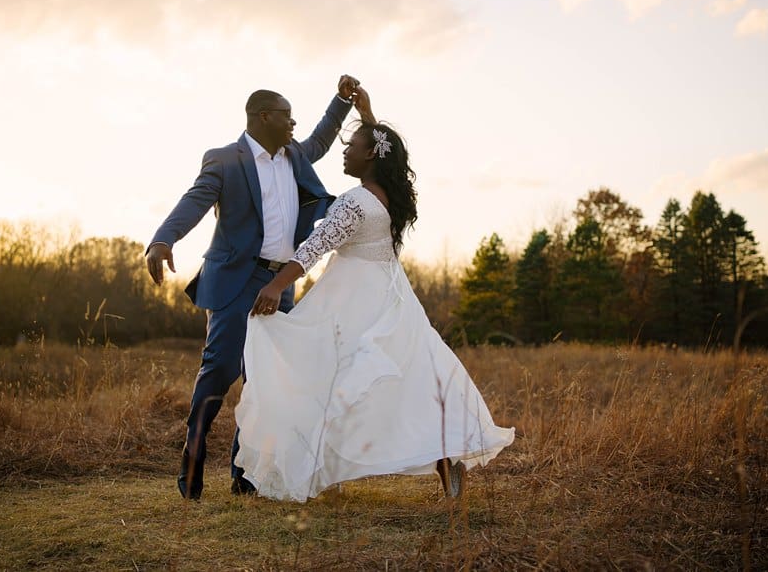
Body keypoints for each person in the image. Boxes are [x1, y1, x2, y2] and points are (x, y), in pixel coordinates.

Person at [233, 90, 515, 502]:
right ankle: (443, 451)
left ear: (370, 158)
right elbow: (390, 156)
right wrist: (366, 115)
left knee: (324, 375)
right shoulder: (390, 200)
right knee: (411, 378)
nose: (344, 154)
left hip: (351, 300)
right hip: (392, 299)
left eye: (352, 148)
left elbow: (315, 246)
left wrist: (277, 285)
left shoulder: (354, 202)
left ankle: (320, 466)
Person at [146, 75, 369, 500]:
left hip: (281, 282)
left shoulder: (296, 155)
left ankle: (245, 475)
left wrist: (341, 101)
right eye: (287, 116)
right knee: (219, 373)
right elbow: (194, 201)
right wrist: (163, 239)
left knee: (265, 382)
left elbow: (322, 137)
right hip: (235, 281)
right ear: (263, 117)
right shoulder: (224, 159)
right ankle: (191, 465)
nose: (293, 124)